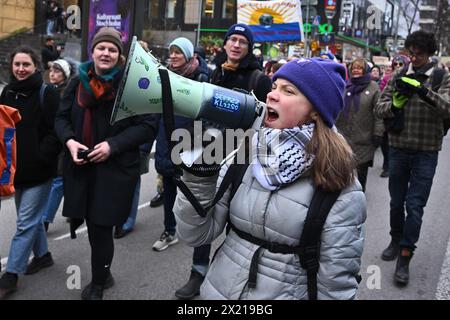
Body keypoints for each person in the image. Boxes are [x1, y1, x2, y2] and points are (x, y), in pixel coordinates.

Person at [173, 58, 366, 300]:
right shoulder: (244, 151)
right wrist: (199, 178)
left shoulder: (340, 182)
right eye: (274, 87)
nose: (272, 95)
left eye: (288, 91)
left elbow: (336, 287)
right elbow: (195, 234)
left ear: (316, 110)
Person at [54, 27, 156, 300]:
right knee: (91, 224)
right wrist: (70, 141)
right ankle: (104, 273)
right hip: (81, 167)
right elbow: (61, 119)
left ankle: (98, 283)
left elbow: (148, 126)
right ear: (93, 51)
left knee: (101, 228)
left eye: (112, 49)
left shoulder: (134, 85)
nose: (106, 53)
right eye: (102, 48)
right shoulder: (77, 83)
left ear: (120, 56)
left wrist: (113, 145)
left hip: (113, 170)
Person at [175, 24, 272, 300]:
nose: (236, 45)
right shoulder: (216, 72)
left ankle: (233, 278)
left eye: (242, 41)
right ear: (225, 44)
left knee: (236, 218)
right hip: (210, 151)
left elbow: (264, 124)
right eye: (232, 40)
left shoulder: (258, 79)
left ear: (248, 47)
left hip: (240, 158)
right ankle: (198, 272)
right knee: (202, 209)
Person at [375, 30, 450, 285]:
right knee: (396, 203)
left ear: (429, 53)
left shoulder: (441, 76)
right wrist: (395, 104)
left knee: (415, 206)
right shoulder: (399, 74)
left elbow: (447, 107)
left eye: (419, 53)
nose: (414, 57)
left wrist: (423, 91)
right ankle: (396, 239)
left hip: (426, 151)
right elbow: (379, 108)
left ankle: (405, 256)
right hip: (398, 148)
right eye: (411, 52)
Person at [0, 46, 61, 299]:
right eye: (17, 64)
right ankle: (44, 256)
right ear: (11, 66)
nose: (21, 69)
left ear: (36, 66)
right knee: (31, 218)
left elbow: (56, 130)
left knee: (25, 222)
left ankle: (11, 274)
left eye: (26, 64)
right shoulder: (7, 91)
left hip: (39, 171)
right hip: (15, 171)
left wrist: (40, 156)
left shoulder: (48, 93)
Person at [152, 37, 210, 258]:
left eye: (179, 52)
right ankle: (169, 230)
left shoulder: (202, 78)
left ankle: (197, 230)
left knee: (191, 192)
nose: (174, 56)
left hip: (190, 145)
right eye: (172, 52)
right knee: (168, 190)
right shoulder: (164, 76)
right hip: (167, 141)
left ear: (189, 56)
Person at [335, 58, 384, 192]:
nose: (356, 70)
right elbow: (337, 108)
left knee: (360, 174)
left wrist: (378, 133)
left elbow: (378, 113)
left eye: (359, 67)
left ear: (365, 70)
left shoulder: (373, 87)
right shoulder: (345, 85)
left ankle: (358, 198)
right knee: (342, 170)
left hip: (364, 137)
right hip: (343, 136)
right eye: (353, 68)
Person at [42, 59, 74, 232]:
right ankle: (75, 209)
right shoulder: (47, 90)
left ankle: (45, 220)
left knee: (58, 181)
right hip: (50, 142)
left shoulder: (68, 92)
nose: (53, 74)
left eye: (57, 71)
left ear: (65, 74)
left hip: (64, 143)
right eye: (51, 71)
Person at [379, 55, 411, 178]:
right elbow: (382, 96)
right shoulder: (388, 77)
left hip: (404, 115)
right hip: (389, 111)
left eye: (400, 64)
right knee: (385, 141)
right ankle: (387, 163)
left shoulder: (408, 76)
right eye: (395, 64)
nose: (397, 66)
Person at [114, 142, 152, 239]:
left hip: (137, 147)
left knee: (133, 184)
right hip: (121, 147)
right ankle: (120, 219)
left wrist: (143, 149)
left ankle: (127, 223)